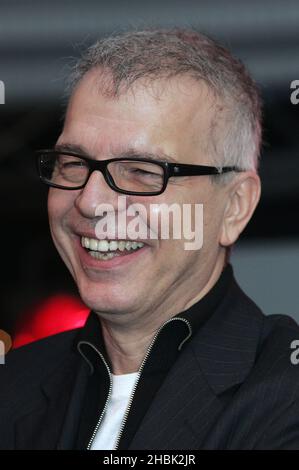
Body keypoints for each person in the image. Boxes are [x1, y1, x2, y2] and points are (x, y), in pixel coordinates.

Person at [1, 28, 299, 450]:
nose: (91, 201)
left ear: (235, 206)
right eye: (72, 163)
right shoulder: (13, 384)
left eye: (142, 171)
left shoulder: (284, 397)